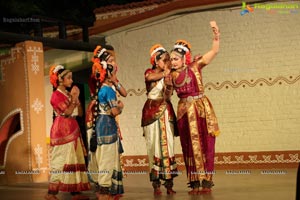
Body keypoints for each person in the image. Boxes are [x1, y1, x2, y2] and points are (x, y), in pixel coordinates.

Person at [170, 21, 220, 195]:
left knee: (206, 143)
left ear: (185, 58)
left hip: (200, 109)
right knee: (188, 146)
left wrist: (216, 36)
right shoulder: (170, 76)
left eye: (176, 59)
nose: (173, 62)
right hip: (184, 112)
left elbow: (214, 51)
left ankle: (206, 181)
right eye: (171, 59)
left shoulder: (195, 66)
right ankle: (194, 182)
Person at [46, 65, 90, 200]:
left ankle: (75, 192)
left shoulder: (68, 94)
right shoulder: (55, 96)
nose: (71, 81)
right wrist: (74, 98)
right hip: (62, 130)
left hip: (72, 127)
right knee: (60, 161)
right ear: (60, 79)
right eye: (69, 78)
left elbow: (80, 113)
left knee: (75, 158)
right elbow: (67, 112)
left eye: (71, 78)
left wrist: (76, 98)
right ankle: (51, 194)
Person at [88, 46, 125, 200]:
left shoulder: (104, 88)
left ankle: (106, 190)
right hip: (107, 124)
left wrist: (114, 80)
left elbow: (124, 92)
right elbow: (114, 111)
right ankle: (104, 192)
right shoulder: (107, 90)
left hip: (101, 123)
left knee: (103, 157)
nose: (115, 64)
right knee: (107, 158)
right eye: (111, 62)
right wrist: (120, 107)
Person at [141, 44, 178, 195]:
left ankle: (169, 184)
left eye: (169, 59)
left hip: (165, 111)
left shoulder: (169, 75)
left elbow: (168, 96)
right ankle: (156, 184)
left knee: (168, 146)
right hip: (151, 113)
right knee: (153, 146)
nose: (168, 62)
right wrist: (165, 74)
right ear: (156, 62)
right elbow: (149, 78)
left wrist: (169, 86)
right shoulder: (150, 72)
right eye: (165, 59)